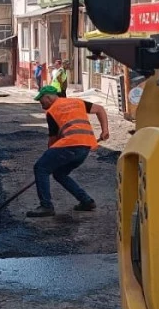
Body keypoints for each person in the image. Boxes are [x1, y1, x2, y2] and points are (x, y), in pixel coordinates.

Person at [27, 85, 110, 218]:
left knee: (41, 168)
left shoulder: (52, 111)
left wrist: (50, 159)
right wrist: (105, 130)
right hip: (85, 147)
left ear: (48, 97)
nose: (41, 105)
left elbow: (53, 140)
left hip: (69, 145)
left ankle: (46, 206)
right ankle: (86, 201)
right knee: (59, 173)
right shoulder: (77, 102)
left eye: (41, 101)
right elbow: (100, 109)